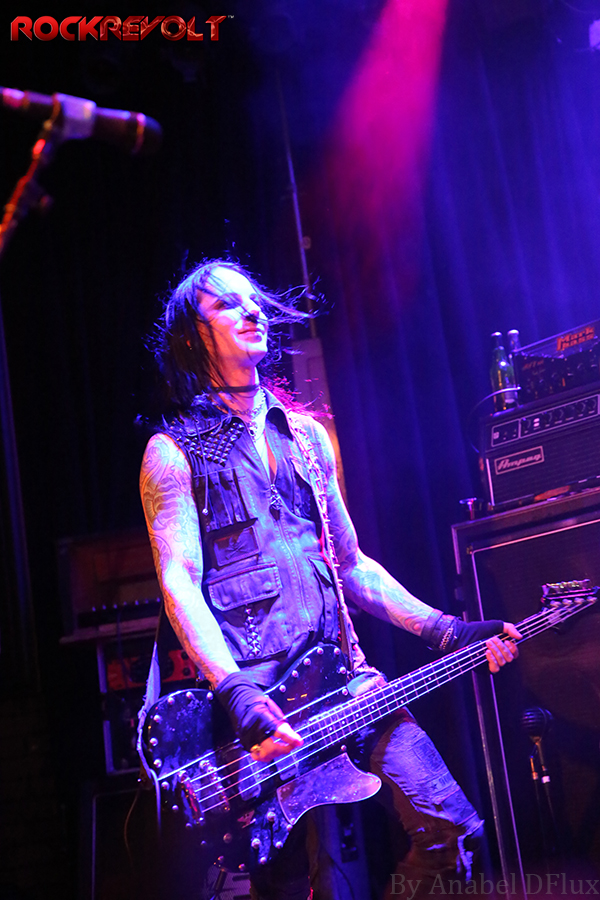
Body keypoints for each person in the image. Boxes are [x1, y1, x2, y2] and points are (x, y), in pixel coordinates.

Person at [138, 259, 520, 900]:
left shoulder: (308, 438)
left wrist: (446, 630)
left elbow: (350, 564)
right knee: (289, 886)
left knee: (455, 835)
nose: (252, 310)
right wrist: (236, 694)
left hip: (347, 683)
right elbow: (178, 582)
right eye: (227, 304)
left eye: (253, 299)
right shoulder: (172, 452)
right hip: (260, 712)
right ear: (192, 336)